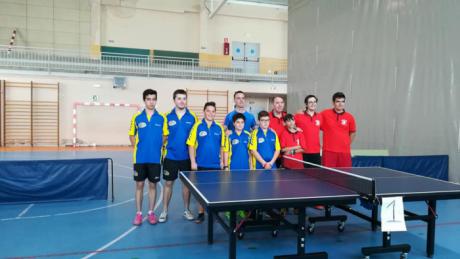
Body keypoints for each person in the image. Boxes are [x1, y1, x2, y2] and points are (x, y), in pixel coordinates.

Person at [129, 89, 168, 226]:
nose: (151, 102)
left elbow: (165, 135)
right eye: (148, 99)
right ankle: (138, 213)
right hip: (139, 158)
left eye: (153, 99)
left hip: (155, 159)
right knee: (139, 185)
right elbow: (131, 134)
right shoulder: (137, 117)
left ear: (156, 100)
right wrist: (137, 147)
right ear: (144, 100)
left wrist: (157, 145)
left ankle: (151, 212)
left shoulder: (162, 117)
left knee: (153, 185)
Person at [160, 89, 197, 223]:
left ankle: (186, 210)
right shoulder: (166, 116)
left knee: (186, 185)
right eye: (179, 98)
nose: (182, 101)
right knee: (168, 183)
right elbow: (162, 137)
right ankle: (164, 211)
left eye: (184, 98)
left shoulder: (192, 117)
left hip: (186, 157)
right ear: (174, 100)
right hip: (170, 156)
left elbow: (195, 139)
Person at [187, 101, 225, 223]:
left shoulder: (219, 128)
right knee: (201, 191)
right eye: (208, 111)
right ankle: (201, 214)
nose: (210, 113)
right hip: (201, 164)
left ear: (215, 113)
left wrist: (222, 162)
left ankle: (213, 213)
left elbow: (222, 146)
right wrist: (193, 162)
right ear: (204, 111)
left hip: (215, 165)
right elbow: (191, 145)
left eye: (213, 111)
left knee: (214, 190)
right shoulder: (197, 126)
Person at [320, 92, 356, 167]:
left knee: (344, 175)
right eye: (338, 101)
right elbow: (313, 119)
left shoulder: (350, 117)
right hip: (329, 151)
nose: (340, 104)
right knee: (328, 175)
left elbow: (353, 132)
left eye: (343, 101)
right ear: (333, 103)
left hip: (344, 152)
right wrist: (302, 112)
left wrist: (346, 144)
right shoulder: (325, 113)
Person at [295, 95, 322, 167]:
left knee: (316, 175)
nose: (313, 104)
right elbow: (287, 125)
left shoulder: (320, 116)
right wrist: (295, 128)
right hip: (303, 151)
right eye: (310, 102)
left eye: (314, 102)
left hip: (316, 151)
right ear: (306, 104)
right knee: (303, 176)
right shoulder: (298, 116)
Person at [269, 96, 287, 168]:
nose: (280, 105)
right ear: (273, 104)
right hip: (272, 153)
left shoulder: (287, 117)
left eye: (282, 102)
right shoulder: (267, 117)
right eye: (277, 103)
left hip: (285, 153)